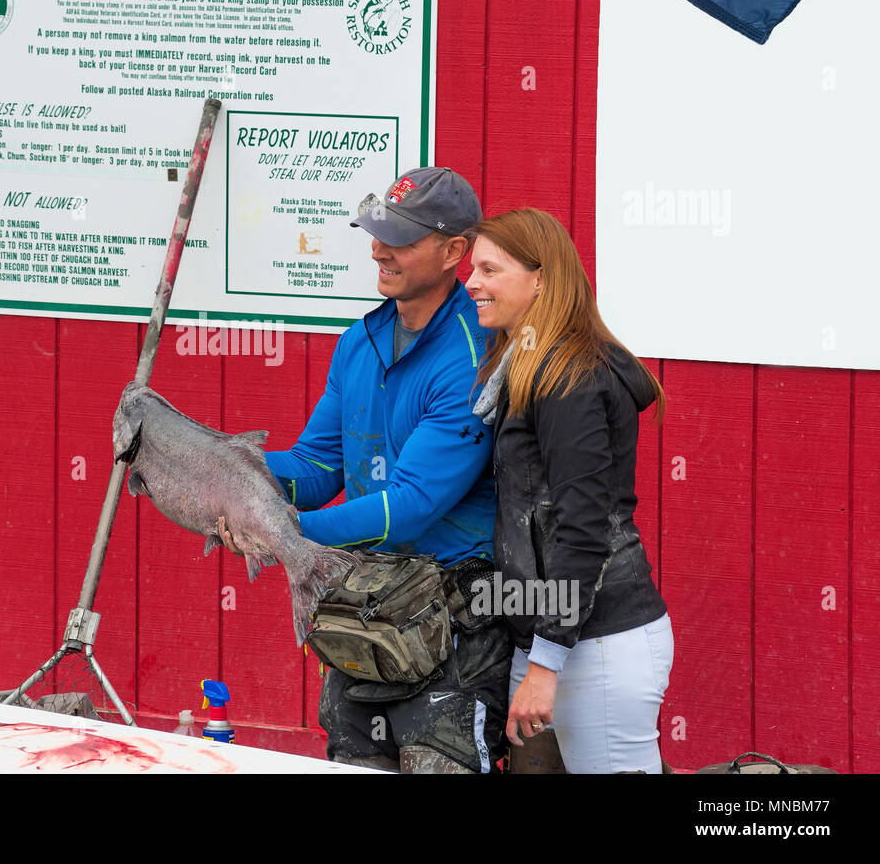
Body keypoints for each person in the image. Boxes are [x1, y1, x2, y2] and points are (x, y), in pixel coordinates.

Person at [227, 167, 512, 773]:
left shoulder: (472, 355)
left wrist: (285, 530)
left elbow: (410, 502)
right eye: (377, 232)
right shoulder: (361, 340)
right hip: (364, 614)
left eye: (401, 238)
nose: (378, 248)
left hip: (454, 622)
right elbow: (317, 466)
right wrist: (234, 475)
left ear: (455, 252)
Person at [463, 208, 673, 774]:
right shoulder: (524, 367)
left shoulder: (569, 379)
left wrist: (546, 664)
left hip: (599, 642)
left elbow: (584, 527)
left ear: (541, 278)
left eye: (489, 269)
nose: (472, 282)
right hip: (548, 638)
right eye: (471, 268)